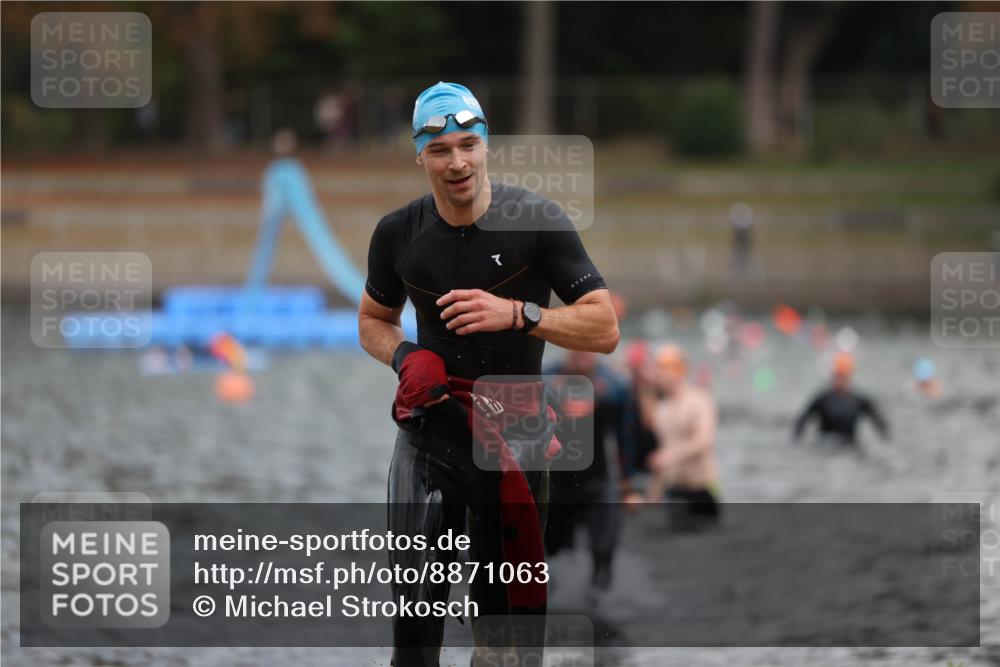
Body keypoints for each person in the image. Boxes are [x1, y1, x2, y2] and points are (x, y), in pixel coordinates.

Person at [357, 82, 619, 666]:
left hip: (517, 436)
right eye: (441, 149)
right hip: (430, 436)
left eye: (468, 145)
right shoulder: (397, 233)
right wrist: (404, 357)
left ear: (486, 145)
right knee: (415, 638)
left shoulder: (537, 221)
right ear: (419, 154)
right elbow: (374, 320)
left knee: (507, 651)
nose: (458, 163)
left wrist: (519, 315)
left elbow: (603, 328)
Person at [543, 350, 630, 599]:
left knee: (603, 556)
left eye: (588, 352)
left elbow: (625, 436)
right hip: (556, 485)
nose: (582, 357)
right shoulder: (549, 375)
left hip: (597, 483)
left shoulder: (610, 383)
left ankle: (599, 602)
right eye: (577, 351)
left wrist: (628, 483)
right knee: (555, 559)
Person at [639, 344, 721, 529]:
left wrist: (671, 456)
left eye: (663, 367)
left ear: (679, 370)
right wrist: (654, 490)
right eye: (657, 367)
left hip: (702, 490)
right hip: (674, 491)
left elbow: (704, 441)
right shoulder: (662, 409)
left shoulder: (700, 400)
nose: (658, 373)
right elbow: (663, 451)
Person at [793, 351, 890, 444]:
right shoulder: (823, 399)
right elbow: (802, 419)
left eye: (844, 377)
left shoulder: (859, 400)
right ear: (833, 377)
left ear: (849, 377)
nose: (840, 381)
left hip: (850, 445)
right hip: (825, 444)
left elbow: (878, 420)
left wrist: (885, 437)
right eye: (838, 377)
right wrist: (797, 439)